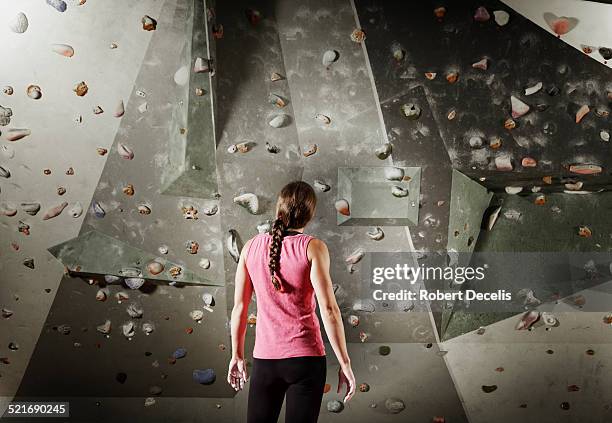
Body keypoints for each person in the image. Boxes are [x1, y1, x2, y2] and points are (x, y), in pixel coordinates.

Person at [227, 180, 356, 423]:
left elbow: (240, 308)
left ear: (279, 208)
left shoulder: (251, 248)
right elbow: (329, 310)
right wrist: (345, 363)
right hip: (306, 361)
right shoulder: (313, 248)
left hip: (266, 362)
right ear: (310, 214)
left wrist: (237, 355)